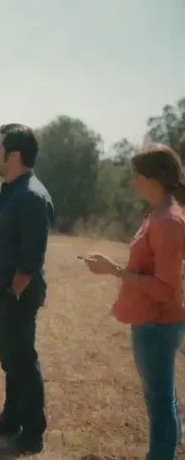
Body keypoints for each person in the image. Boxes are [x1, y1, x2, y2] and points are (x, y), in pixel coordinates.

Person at [82, 144, 185, 460]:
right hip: (150, 320)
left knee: (159, 402)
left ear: (153, 178)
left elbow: (166, 288)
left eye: (136, 174)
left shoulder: (168, 220)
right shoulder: (156, 213)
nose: (132, 181)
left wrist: (113, 270)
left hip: (157, 322)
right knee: (161, 400)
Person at [0, 123, 54, 455]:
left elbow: (30, 261)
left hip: (15, 297)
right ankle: (12, 418)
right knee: (11, 360)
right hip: (2, 295)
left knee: (22, 361)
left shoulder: (31, 196)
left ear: (14, 155)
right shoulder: (11, 188)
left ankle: (33, 431)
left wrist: (10, 294)